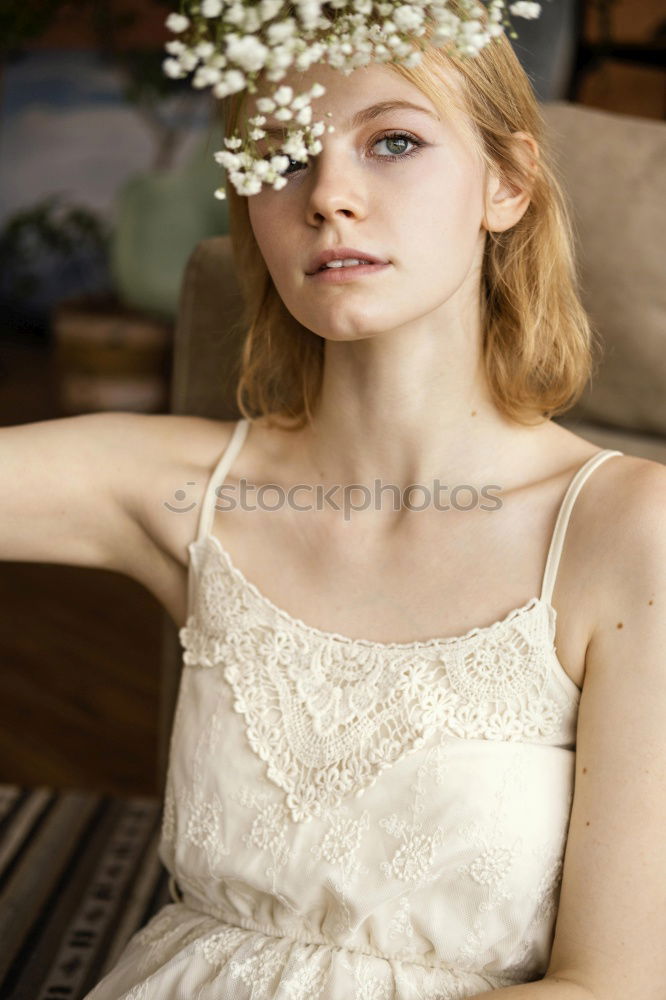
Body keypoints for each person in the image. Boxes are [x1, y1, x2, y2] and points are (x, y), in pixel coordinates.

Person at [3, 4, 665, 999]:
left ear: (506, 181)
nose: (330, 198)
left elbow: (613, 985)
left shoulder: (626, 531)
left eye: (393, 141)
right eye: (281, 159)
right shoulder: (183, 494)